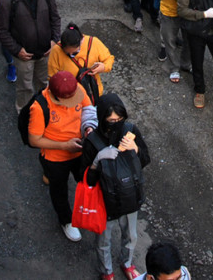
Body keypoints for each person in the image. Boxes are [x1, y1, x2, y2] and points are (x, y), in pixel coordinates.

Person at [81, 93, 151, 280]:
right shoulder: (92, 141)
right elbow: (86, 178)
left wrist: (135, 149)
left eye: (119, 119)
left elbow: (145, 159)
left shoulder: (130, 130)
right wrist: (97, 161)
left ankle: (127, 263)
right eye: (111, 120)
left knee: (131, 236)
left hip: (129, 196)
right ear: (102, 118)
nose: (116, 123)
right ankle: (107, 271)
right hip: (104, 201)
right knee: (103, 240)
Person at [27, 71, 91, 242]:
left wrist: (89, 128)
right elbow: (34, 140)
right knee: (59, 191)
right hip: (55, 159)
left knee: (86, 182)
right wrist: (64, 146)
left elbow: (88, 109)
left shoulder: (76, 87)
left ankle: (89, 210)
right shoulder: (39, 107)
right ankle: (66, 221)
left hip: (79, 152)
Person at [0, 0, 61, 109]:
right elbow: (1, 30)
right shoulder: (7, 1)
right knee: (25, 88)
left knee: (44, 83)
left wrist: (54, 41)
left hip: (45, 52)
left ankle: (44, 110)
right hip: (24, 55)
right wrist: (17, 50)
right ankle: (25, 115)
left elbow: (55, 18)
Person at [48, 23, 115, 100]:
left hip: (94, 93)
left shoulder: (94, 42)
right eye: (67, 53)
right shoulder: (56, 51)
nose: (71, 55)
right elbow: (52, 77)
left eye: (75, 53)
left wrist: (103, 67)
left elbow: (109, 59)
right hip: (71, 98)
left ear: (81, 42)